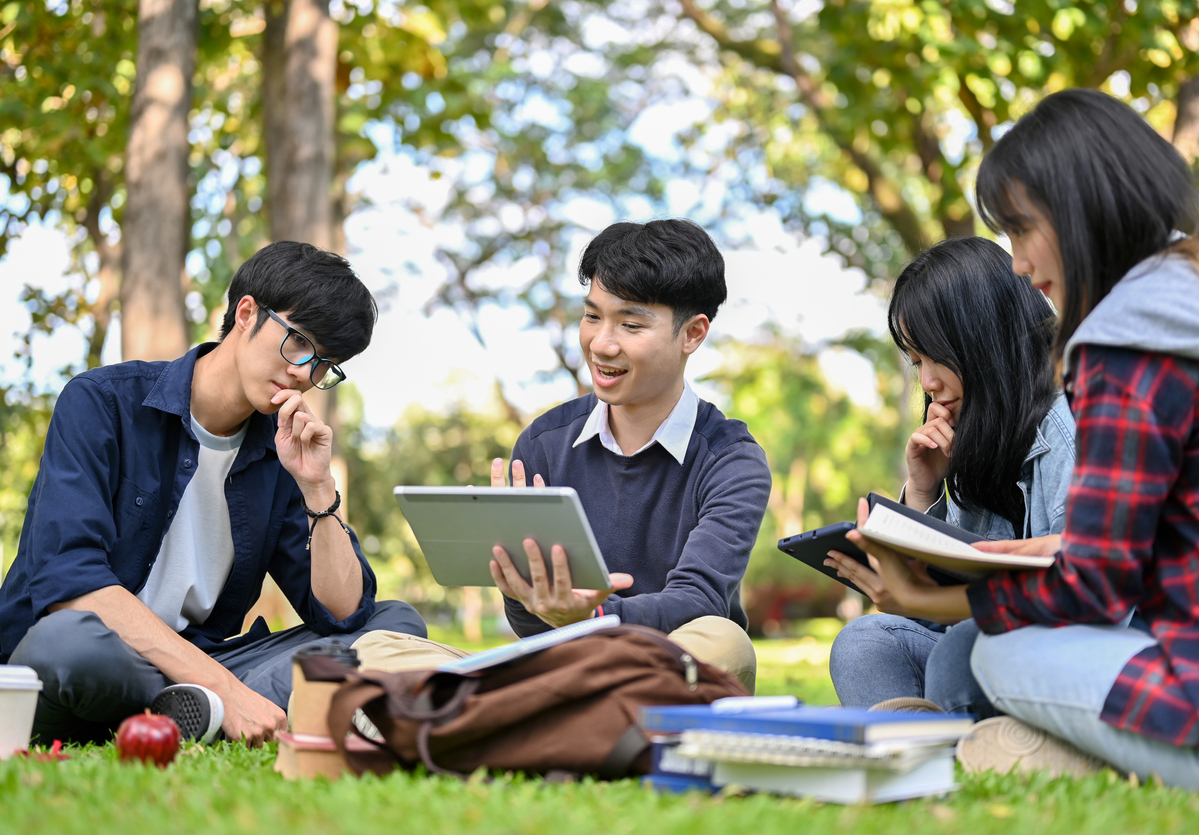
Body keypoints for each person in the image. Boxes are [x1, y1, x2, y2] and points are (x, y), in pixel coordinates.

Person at [827, 89, 1199, 789]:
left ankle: (1121, 757)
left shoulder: (1126, 337)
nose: (1019, 264)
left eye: (1021, 230)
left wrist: (927, 601)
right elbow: (1128, 538)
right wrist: (930, 506)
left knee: (991, 651)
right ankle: (973, 742)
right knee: (879, 641)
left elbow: (1098, 583)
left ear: (1083, 209)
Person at [0, 241, 428, 747]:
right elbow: (69, 582)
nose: (303, 373)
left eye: (324, 365)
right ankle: (218, 704)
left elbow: (341, 614)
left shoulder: (279, 450)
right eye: (298, 343)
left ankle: (192, 711)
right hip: (94, 650)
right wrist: (225, 685)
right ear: (247, 313)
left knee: (393, 623)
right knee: (68, 644)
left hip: (200, 660)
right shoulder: (101, 402)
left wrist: (317, 487)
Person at [354, 219, 772, 690]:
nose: (601, 343)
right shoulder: (543, 443)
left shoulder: (732, 460)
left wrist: (591, 614)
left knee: (723, 642)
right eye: (592, 316)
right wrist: (523, 588)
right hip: (557, 668)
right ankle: (562, 716)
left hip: (661, 666)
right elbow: (530, 628)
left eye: (631, 324)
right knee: (375, 648)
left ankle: (502, 713)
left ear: (693, 334)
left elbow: (698, 601)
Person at [827, 236, 1074, 718]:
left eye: (935, 356)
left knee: (961, 655)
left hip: (1074, 649)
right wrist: (923, 489)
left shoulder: (1068, 427)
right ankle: (927, 750)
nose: (928, 383)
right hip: (992, 649)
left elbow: (1094, 599)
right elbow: (932, 613)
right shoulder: (975, 439)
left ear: (985, 338)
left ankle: (967, 749)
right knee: (863, 642)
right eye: (916, 362)